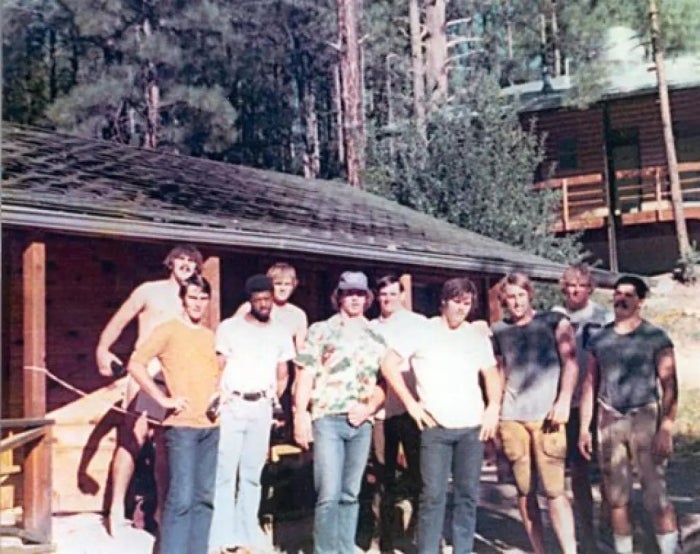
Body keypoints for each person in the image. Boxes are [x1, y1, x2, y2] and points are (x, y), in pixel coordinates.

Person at [381, 277, 502, 554]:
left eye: (467, 303)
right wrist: (411, 403)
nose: (462, 309)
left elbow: (491, 372)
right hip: (435, 428)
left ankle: (463, 549)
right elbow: (388, 364)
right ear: (443, 302)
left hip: (471, 427)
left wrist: (493, 406)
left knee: (467, 496)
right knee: (432, 497)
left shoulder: (475, 335)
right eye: (457, 302)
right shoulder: (422, 330)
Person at [95, 243, 203, 531]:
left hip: (176, 375)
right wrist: (103, 350)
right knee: (133, 438)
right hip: (145, 370)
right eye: (180, 259)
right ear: (170, 262)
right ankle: (116, 508)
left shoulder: (194, 298)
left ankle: (162, 514)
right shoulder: (149, 290)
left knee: (166, 447)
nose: (185, 264)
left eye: (191, 261)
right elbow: (119, 321)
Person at [579, 275, 680, 554]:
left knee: (655, 496)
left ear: (640, 301)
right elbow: (590, 384)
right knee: (616, 498)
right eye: (617, 294)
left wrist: (666, 427)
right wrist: (585, 428)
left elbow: (669, 384)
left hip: (644, 417)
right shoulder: (600, 338)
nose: (621, 299)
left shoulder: (655, 336)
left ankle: (670, 549)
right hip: (609, 419)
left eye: (628, 295)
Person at [293, 271, 387, 554]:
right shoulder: (321, 330)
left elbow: (385, 382)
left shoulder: (376, 334)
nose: (355, 299)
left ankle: (345, 548)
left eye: (360, 294)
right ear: (339, 296)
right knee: (329, 492)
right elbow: (305, 374)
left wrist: (369, 407)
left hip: (362, 422)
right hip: (327, 418)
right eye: (349, 293)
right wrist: (300, 414)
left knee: (351, 493)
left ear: (367, 298)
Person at [127, 274, 220, 554]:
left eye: (203, 298)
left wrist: (218, 396)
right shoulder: (167, 330)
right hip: (181, 428)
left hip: (211, 426)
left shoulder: (208, 335)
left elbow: (211, 375)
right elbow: (136, 363)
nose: (198, 304)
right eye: (193, 297)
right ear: (182, 299)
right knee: (180, 498)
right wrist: (163, 400)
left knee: (204, 498)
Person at [491, 271, 578, 554]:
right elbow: (500, 372)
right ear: (503, 301)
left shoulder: (554, 321)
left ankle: (569, 550)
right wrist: (493, 411)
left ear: (530, 294)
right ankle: (539, 550)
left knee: (554, 491)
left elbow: (571, 363)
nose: (515, 302)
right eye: (510, 298)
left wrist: (563, 400)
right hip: (512, 418)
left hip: (548, 418)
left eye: (520, 296)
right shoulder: (499, 330)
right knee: (524, 490)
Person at [208, 274, 295, 554]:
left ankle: (246, 535)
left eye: (267, 299)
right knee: (224, 473)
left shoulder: (280, 331)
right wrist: (217, 401)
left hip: (261, 408)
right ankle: (222, 536)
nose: (263, 304)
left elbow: (283, 374)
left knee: (252, 474)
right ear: (250, 300)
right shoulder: (229, 328)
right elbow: (217, 366)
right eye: (258, 300)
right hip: (233, 405)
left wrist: (273, 401)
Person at [552, 262, 613, 552]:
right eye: (570, 285)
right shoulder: (554, 316)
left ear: (590, 288)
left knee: (610, 469)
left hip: (603, 400)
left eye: (581, 285)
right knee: (578, 471)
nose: (575, 290)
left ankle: (609, 526)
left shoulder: (604, 317)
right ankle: (586, 534)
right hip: (571, 403)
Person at [371, 274, 423, 552]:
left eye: (393, 293)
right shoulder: (370, 328)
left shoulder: (419, 324)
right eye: (383, 294)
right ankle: (383, 538)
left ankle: (422, 535)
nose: (388, 299)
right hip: (382, 413)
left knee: (421, 476)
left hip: (415, 411)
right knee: (384, 477)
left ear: (402, 295)